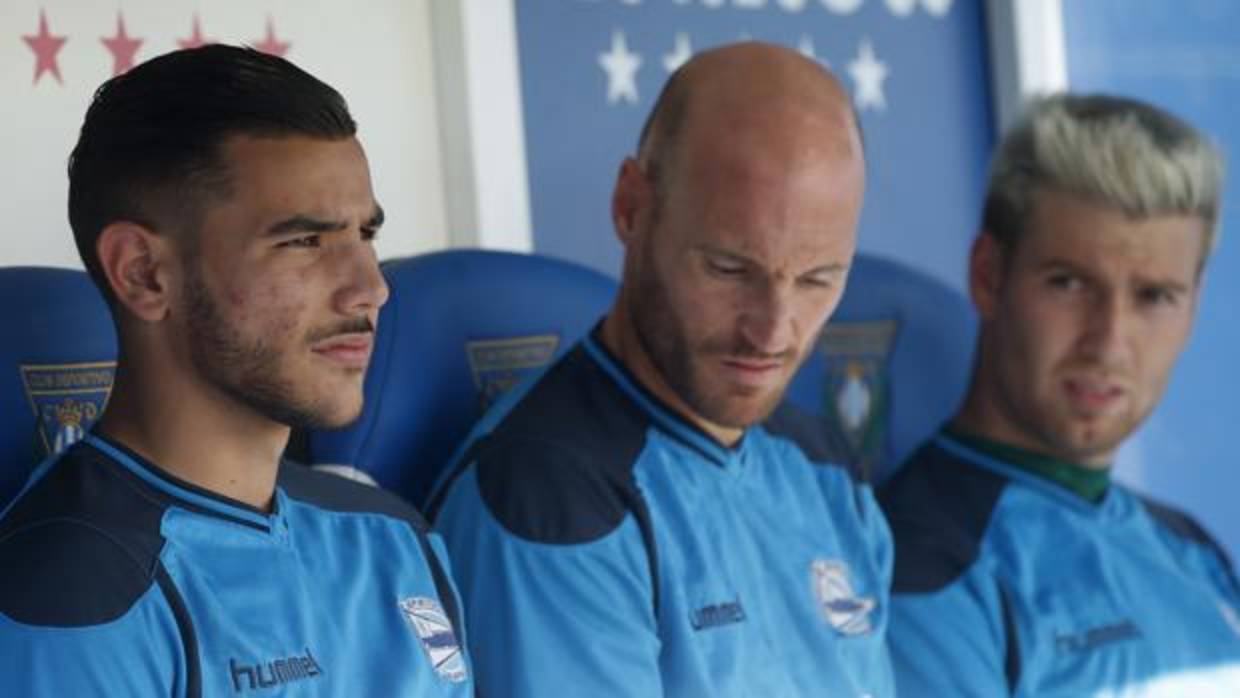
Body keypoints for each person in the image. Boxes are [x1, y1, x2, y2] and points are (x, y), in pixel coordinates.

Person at [0, 45, 473, 696]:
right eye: (303, 242)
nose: (370, 288)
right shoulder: (69, 599)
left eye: (365, 236)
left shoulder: (392, 535)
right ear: (144, 273)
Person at [426, 42, 893, 697]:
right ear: (631, 208)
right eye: (730, 269)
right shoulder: (549, 500)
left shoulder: (822, 469)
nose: (773, 330)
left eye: (819, 278)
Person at [880, 93, 1240, 696]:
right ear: (989, 275)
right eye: (1069, 284)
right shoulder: (920, 569)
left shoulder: (1190, 548)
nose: (1109, 342)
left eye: (1154, 297)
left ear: (1194, 305)